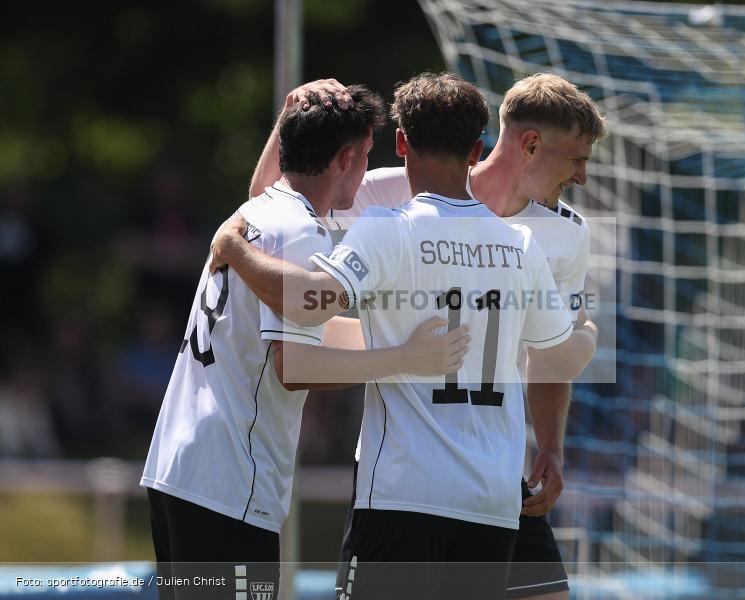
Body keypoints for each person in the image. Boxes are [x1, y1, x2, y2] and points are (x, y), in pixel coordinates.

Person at [211, 72, 598, 599]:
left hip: (423, 483)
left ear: (403, 143)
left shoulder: (392, 222)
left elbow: (298, 280)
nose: (581, 176)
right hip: (483, 486)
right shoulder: (521, 244)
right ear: (482, 146)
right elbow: (564, 351)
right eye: (577, 157)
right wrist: (590, 336)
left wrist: (551, 446)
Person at [140, 85, 472, 600]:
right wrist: (403, 358)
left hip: (179, 469)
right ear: (345, 158)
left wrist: (289, 113)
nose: (366, 172)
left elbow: (299, 322)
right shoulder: (301, 232)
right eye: (364, 157)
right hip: (230, 480)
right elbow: (293, 366)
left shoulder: (263, 210)